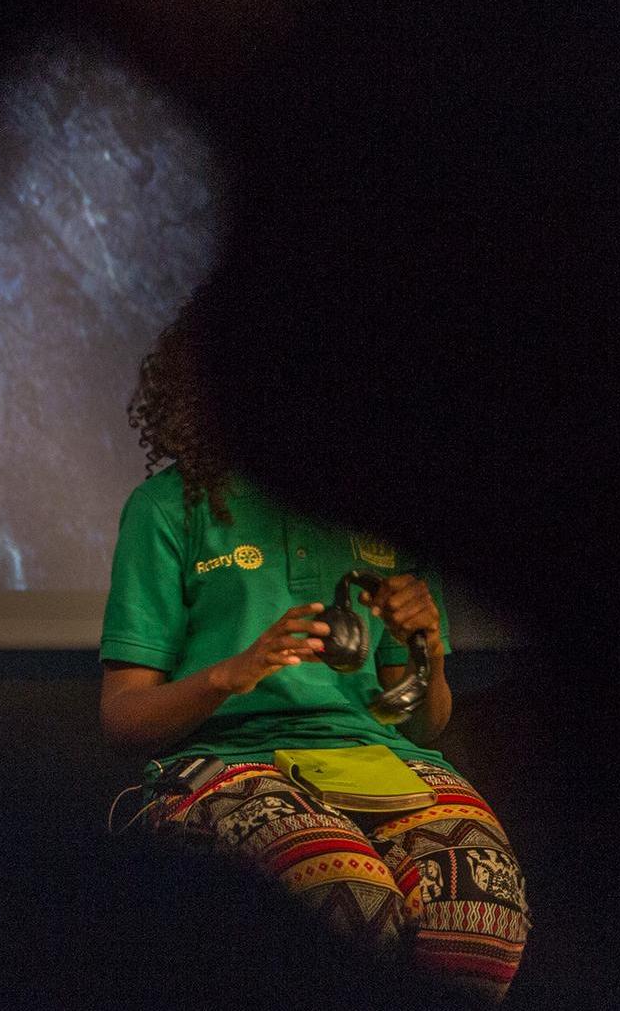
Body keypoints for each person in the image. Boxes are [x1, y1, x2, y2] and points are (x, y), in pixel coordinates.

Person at [98, 292, 530, 1005]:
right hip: (230, 763)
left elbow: (426, 724)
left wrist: (427, 649)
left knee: (478, 918)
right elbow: (122, 717)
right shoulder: (166, 508)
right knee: (349, 900)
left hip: (382, 763)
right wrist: (230, 675)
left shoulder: (379, 510)